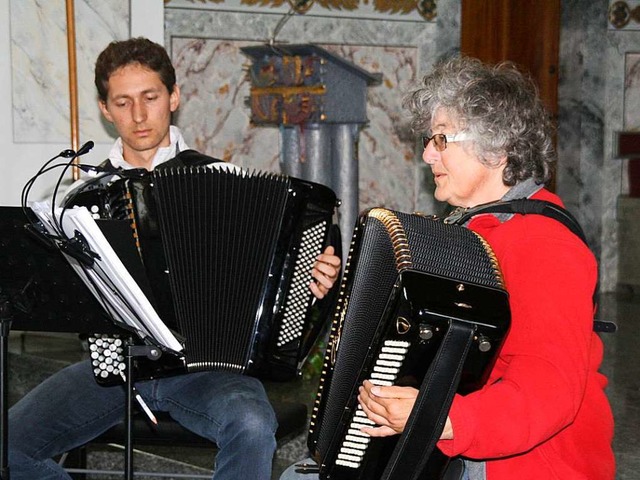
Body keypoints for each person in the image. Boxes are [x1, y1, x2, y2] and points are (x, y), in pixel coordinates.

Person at [8, 37, 341, 480]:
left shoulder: (222, 181)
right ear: (106, 109)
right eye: (123, 103)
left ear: (174, 97)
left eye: (150, 97)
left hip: (207, 369)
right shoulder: (77, 203)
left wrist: (312, 278)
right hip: (115, 366)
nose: (139, 115)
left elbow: (279, 271)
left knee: (253, 424)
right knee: (8, 448)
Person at [281, 56, 615, 479]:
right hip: (464, 445)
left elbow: (548, 393)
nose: (426, 154)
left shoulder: (546, 244)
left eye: (441, 139)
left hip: (521, 465)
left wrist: (435, 416)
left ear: (495, 147)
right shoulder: (468, 232)